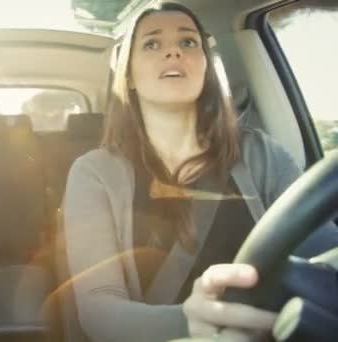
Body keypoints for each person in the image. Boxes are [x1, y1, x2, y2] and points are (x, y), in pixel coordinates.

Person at [62, 2, 338, 341]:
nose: (174, 52)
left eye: (188, 42)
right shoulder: (94, 173)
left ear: (206, 65)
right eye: (152, 43)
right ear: (129, 75)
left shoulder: (261, 154)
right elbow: (98, 312)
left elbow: (323, 257)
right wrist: (196, 325)